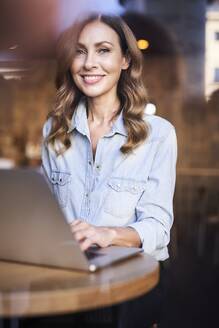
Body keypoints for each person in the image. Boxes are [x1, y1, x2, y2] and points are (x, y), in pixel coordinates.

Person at [41, 13, 177, 328]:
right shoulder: (54, 130)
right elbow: (45, 219)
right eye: (79, 50)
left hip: (127, 282)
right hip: (67, 277)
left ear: (126, 60)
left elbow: (158, 230)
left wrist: (108, 234)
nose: (89, 62)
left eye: (103, 50)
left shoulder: (159, 134)